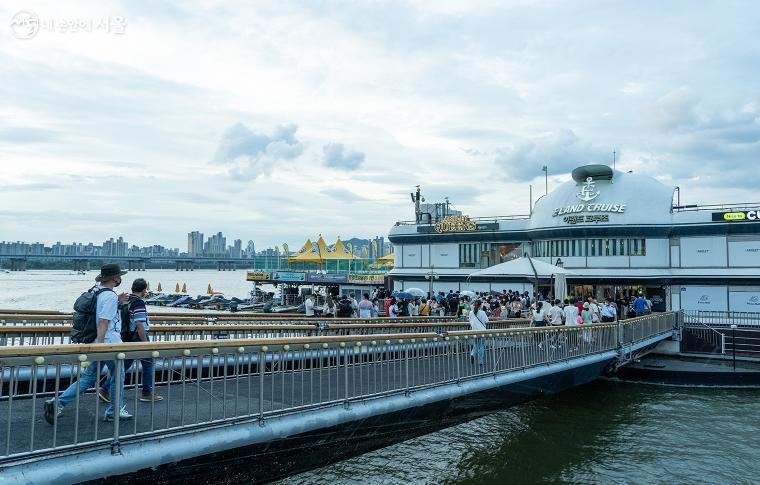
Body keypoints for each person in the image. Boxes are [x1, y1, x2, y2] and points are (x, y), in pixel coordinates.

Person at [45, 263, 132, 424]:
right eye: (119, 276)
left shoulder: (96, 290)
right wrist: (101, 346)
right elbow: (103, 322)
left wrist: (118, 302)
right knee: (118, 375)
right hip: (108, 343)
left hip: (95, 340)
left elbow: (99, 314)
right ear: (114, 278)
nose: (120, 279)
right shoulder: (110, 296)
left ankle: (58, 403)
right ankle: (114, 411)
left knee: (89, 377)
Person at [100, 278, 162, 403]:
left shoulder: (126, 300)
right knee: (148, 363)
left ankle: (105, 389)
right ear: (144, 290)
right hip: (138, 337)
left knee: (125, 364)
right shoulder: (139, 303)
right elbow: (139, 324)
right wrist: (145, 343)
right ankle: (146, 393)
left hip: (125, 336)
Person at [468, 300, 488, 365]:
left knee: (475, 344)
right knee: (481, 346)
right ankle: (480, 361)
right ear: (480, 305)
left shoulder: (471, 312)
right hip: (482, 331)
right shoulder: (482, 312)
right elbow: (486, 321)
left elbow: (470, 321)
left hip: (474, 331)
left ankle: (472, 354)